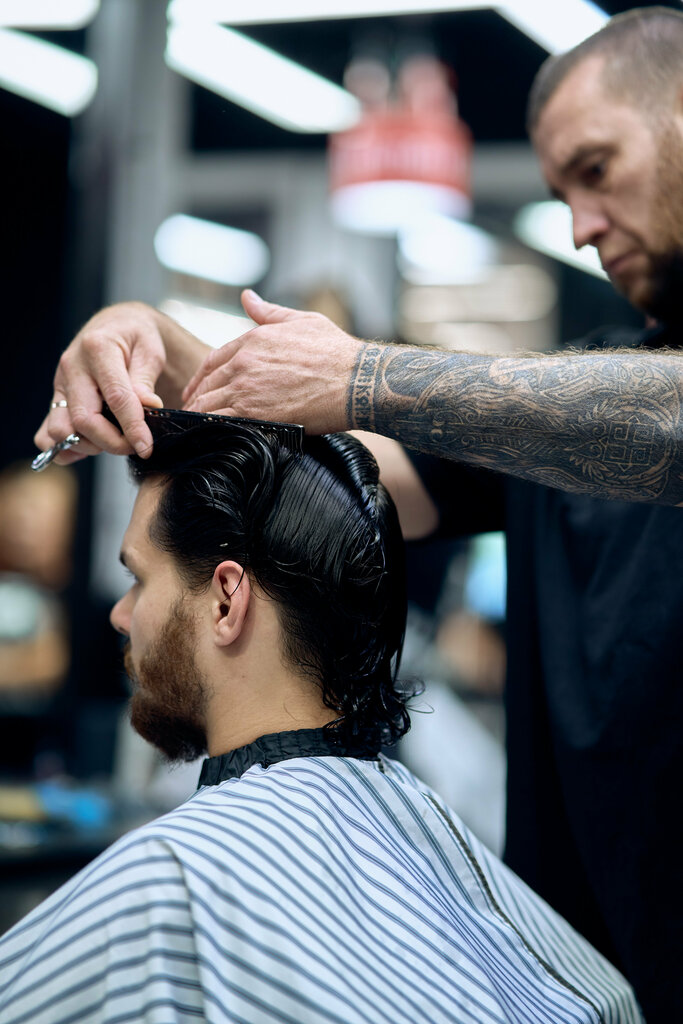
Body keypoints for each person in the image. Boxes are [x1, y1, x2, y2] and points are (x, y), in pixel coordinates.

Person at [30, 7, 682, 1020]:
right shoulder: (549, 426)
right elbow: (313, 472)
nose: (578, 225)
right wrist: (148, 333)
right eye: (559, 193)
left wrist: (368, 372)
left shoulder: (594, 411)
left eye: (596, 168)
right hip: (580, 977)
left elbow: (659, 421)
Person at [0, 421, 641, 1024]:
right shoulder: (431, 834)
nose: (120, 613)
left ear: (228, 599)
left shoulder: (168, 878)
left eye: (138, 579)